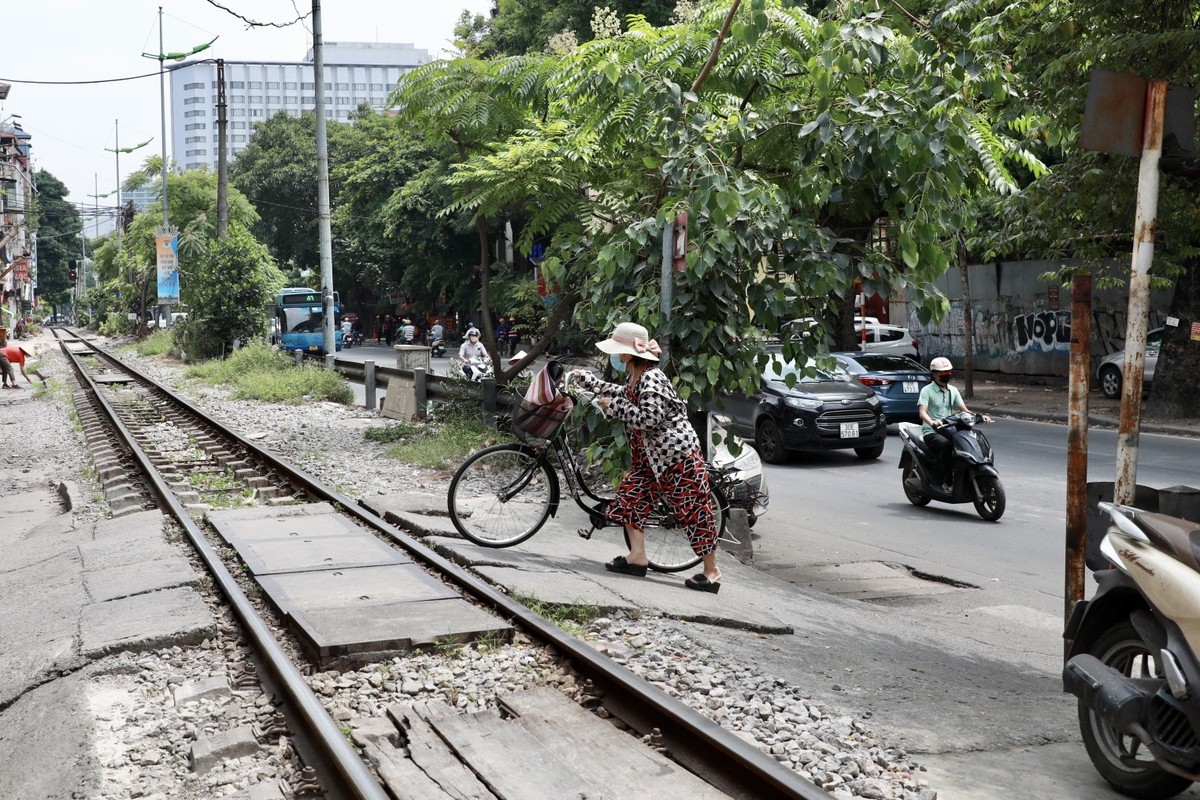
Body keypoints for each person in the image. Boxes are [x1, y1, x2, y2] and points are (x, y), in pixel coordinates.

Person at [571, 321, 721, 594]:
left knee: (694, 513)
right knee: (630, 499)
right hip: (649, 461)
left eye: (618, 352)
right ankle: (637, 557)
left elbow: (649, 419)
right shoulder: (637, 375)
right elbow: (622, 393)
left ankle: (711, 571)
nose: (615, 357)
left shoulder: (652, 378)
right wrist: (590, 382)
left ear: (629, 355)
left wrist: (614, 407)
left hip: (676, 458)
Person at [918, 357, 990, 490]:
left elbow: (964, 410)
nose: (946, 375)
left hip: (950, 428)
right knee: (947, 446)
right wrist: (933, 422)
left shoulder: (953, 390)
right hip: (932, 431)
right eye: (942, 373)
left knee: (970, 440)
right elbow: (922, 413)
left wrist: (979, 416)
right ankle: (947, 482)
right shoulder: (926, 391)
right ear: (934, 374)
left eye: (948, 372)